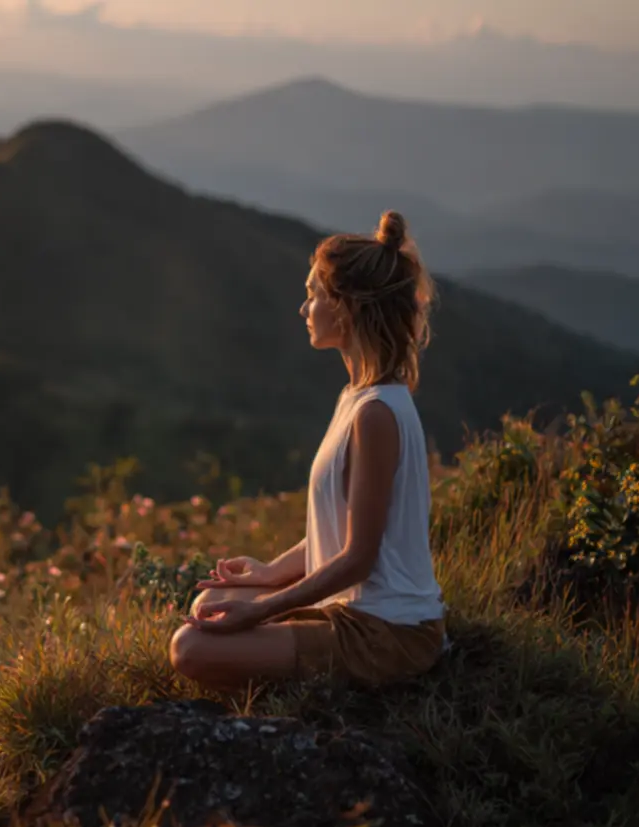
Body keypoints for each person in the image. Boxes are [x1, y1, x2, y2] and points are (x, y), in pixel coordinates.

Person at [169, 210, 447, 692]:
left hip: (389, 634)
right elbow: (343, 532)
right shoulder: (357, 398)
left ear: (347, 307)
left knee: (190, 648)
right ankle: (281, 648)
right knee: (208, 602)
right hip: (357, 610)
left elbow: (358, 558)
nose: (304, 310)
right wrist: (268, 573)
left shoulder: (375, 415)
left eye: (313, 295)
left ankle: (306, 681)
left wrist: (260, 608)